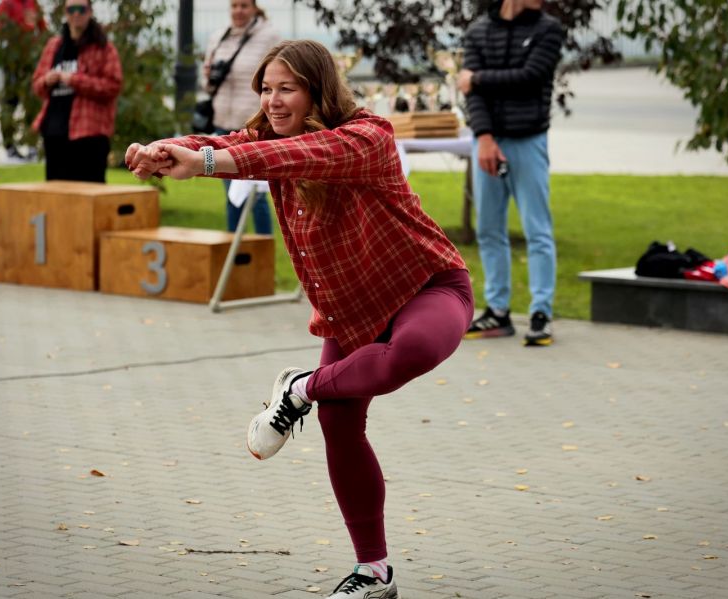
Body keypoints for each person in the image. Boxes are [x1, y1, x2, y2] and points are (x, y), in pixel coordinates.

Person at [126, 39, 473, 599]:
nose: (274, 99)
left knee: (406, 356)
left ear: (318, 90)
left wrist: (208, 163)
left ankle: (299, 388)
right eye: (266, 89)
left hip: (426, 288)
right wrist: (169, 149)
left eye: (286, 88)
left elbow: (297, 156)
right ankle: (373, 573)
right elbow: (223, 142)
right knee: (340, 425)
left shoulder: (368, 138)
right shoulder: (270, 138)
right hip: (350, 314)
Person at [458, 0, 564, 346]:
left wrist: (476, 79)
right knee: (489, 228)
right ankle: (498, 312)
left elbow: (530, 79)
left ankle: (541, 313)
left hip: (529, 141)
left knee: (538, 229)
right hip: (487, 142)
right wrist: (485, 138)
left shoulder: (548, 29)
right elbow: (471, 97)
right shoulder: (477, 32)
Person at [202, 0, 280, 234]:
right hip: (222, 122)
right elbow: (207, 84)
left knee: (255, 194)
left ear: (255, 8)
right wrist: (209, 76)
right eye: (234, 6)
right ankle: (235, 253)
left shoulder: (269, 37)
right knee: (231, 194)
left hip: (253, 125)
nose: (238, 11)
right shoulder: (219, 37)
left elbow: (277, 78)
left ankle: (262, 251)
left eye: (244, 6)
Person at [30, 0, 122, 182]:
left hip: (89, 135)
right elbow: (37, 86)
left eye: (81, 9)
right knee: (57, 197)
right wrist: (47, 80)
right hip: (55, 132)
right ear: (65, 12)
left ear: (90, 12)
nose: (76, 13)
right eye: (71, 9)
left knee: (89, 199)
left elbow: (113, 86)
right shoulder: (53, 46)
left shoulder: (103, 48)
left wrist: (73, 79)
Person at [0, 0, 47, 162]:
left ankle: (31, 146)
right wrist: (26, 25)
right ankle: (10, 148)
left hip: (31, 60)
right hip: (13, 61)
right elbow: (1, 31)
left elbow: (43, 29)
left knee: (32, 103)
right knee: (10, 103)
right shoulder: (7, 4)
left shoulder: (33, 4)